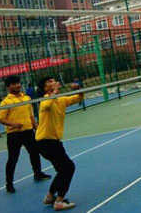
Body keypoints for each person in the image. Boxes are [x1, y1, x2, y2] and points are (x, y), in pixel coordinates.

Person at [36, 76, 83, 210]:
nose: (54, 82)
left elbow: (79, 98)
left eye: (54, 80)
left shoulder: (60, 100)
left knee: (62, 170)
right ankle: (59, 201)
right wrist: (55, 91)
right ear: (45, 88)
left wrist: (78, 89)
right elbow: (47, 105)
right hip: (45, 142)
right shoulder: (44, 100)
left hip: (54, 142)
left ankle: (50, 196)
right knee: (68, 167)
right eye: (50, 82)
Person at [0, 76, 51, 194]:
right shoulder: (5, 102)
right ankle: (9, 184)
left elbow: (31, 115)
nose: (16, 86)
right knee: (13, 159)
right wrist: (14, 124)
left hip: (28, 132)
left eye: (17, 83)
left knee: (34, 153)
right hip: (14, 135)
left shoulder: (27, 98)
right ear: (8, 87)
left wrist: (37, 128)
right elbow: (1, 119)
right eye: (13, 84)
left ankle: (38, 174)